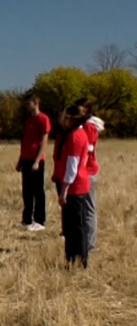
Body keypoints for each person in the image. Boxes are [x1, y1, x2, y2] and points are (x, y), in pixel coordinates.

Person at [55, 104, 92, 268]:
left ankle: (81, 261)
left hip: (75, 187)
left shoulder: (76, 137)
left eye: (64, 115)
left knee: (77, 226)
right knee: (70, 227)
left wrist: (64, 190)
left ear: (70, 119)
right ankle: (71, 259)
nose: (61, 118)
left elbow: (72, 166)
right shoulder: (72, 134)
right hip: (72, 186)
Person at [17, 95, 51, 231]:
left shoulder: (43, 119)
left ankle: (39, 220)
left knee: (38, 190)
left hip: (36, 160)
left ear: (36, 103)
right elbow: (25, 141)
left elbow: (44, 141)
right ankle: (26, 219)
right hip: (26, 159)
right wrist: (20, 160)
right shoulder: (29, 120)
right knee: (27, 191)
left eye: (29, 103)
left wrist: (37, 160)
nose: (27, 105)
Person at [77, 99, 103, 251]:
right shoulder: (84, 126)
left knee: (88, 208)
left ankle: (90, 243)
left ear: (86, 110)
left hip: (88, 172)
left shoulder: (89, 127)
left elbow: (88, 149)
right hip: (83, 171)